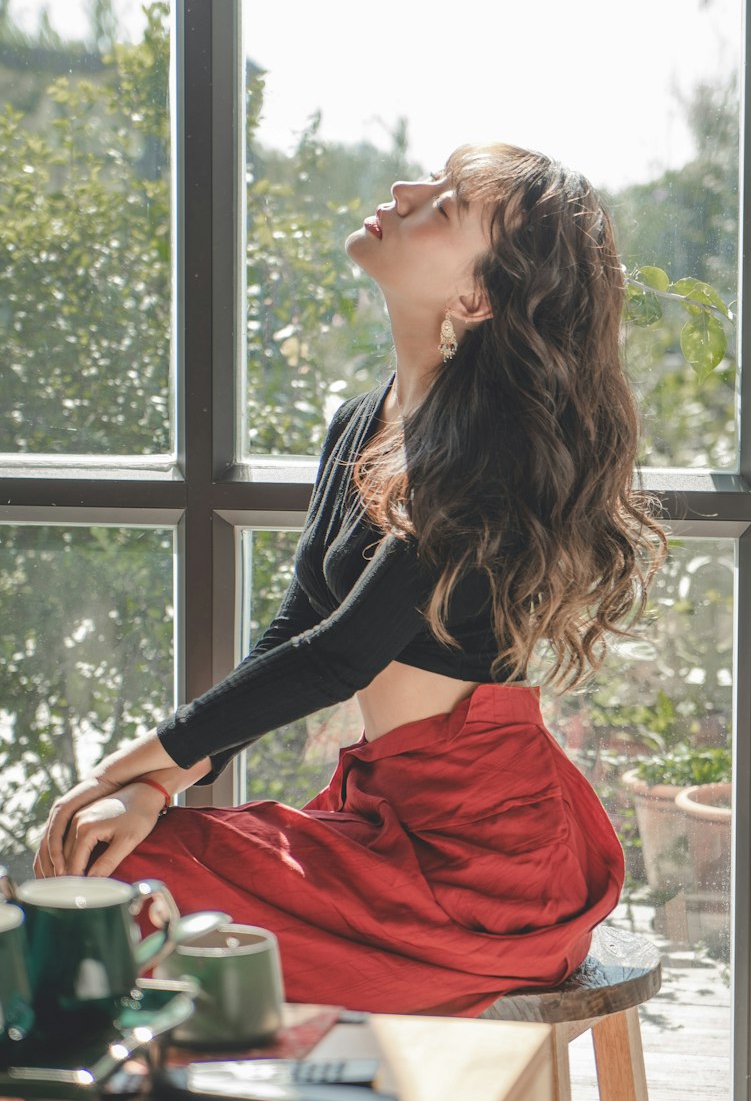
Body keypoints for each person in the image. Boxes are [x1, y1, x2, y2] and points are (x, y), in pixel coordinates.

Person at [34, 142, 666, 1016]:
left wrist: (122, 772)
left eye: (443, 206)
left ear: (474, 297)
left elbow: (340, 658)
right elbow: (296, 625)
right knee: (108, 861)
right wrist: (148, 782)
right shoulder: (364, 420)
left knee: (120, 879)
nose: (406, 191)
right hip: (393, 819)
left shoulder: (485, 450)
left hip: (485, 869)